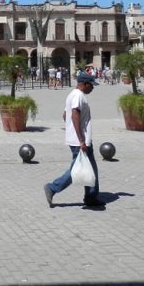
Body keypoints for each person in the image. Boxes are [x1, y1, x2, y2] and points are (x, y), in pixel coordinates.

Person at [44, 73, 103, 208]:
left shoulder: (71, 94)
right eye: (91, 85)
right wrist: (81, 139)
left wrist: (71, 129)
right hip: (80, 141)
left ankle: (91, 197)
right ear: (84, 84)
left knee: (89, 169)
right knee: (76, 171)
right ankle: (52, 188)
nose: (92, 88)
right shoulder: (78, 95)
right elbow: (74, 114)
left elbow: (65, 115)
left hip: (76, 139)